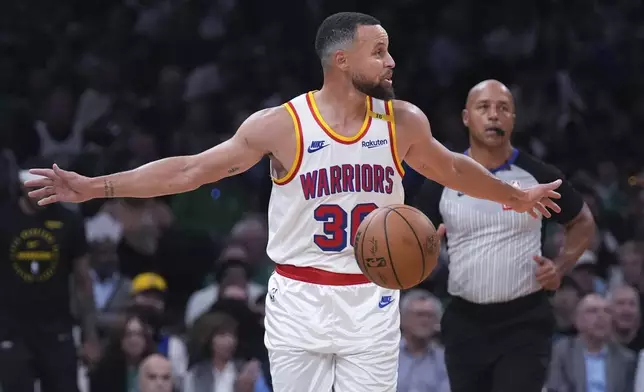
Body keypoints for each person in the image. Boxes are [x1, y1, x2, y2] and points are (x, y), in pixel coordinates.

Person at [25, 13, 563, 392]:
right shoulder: (282, 125)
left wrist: (515, 196)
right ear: (341, 59)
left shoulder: (402, 121)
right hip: (300, 297)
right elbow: (191, 170)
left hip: (372, 300)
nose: (391, 60)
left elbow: (451, 168)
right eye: (380, 51)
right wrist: (96, 187)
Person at [414, 80, 596, 392]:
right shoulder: (441, 178)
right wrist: (423, 251)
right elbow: (413, 238)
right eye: (483, 108)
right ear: (466, 117)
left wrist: (561, 267)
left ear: (513, 118)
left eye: (503, 108)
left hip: (524, 322)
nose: (494, 115)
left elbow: (582, 220)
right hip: (464, 322)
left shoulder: (537, 174)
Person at [0, 169, 100, 392]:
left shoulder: (69, 221)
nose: (40, 194)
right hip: (11, 329)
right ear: (21, 186)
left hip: (57, 327)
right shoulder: (3, 219)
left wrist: (90, 336)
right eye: (34, 187)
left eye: (45, 187)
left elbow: (83, 281)